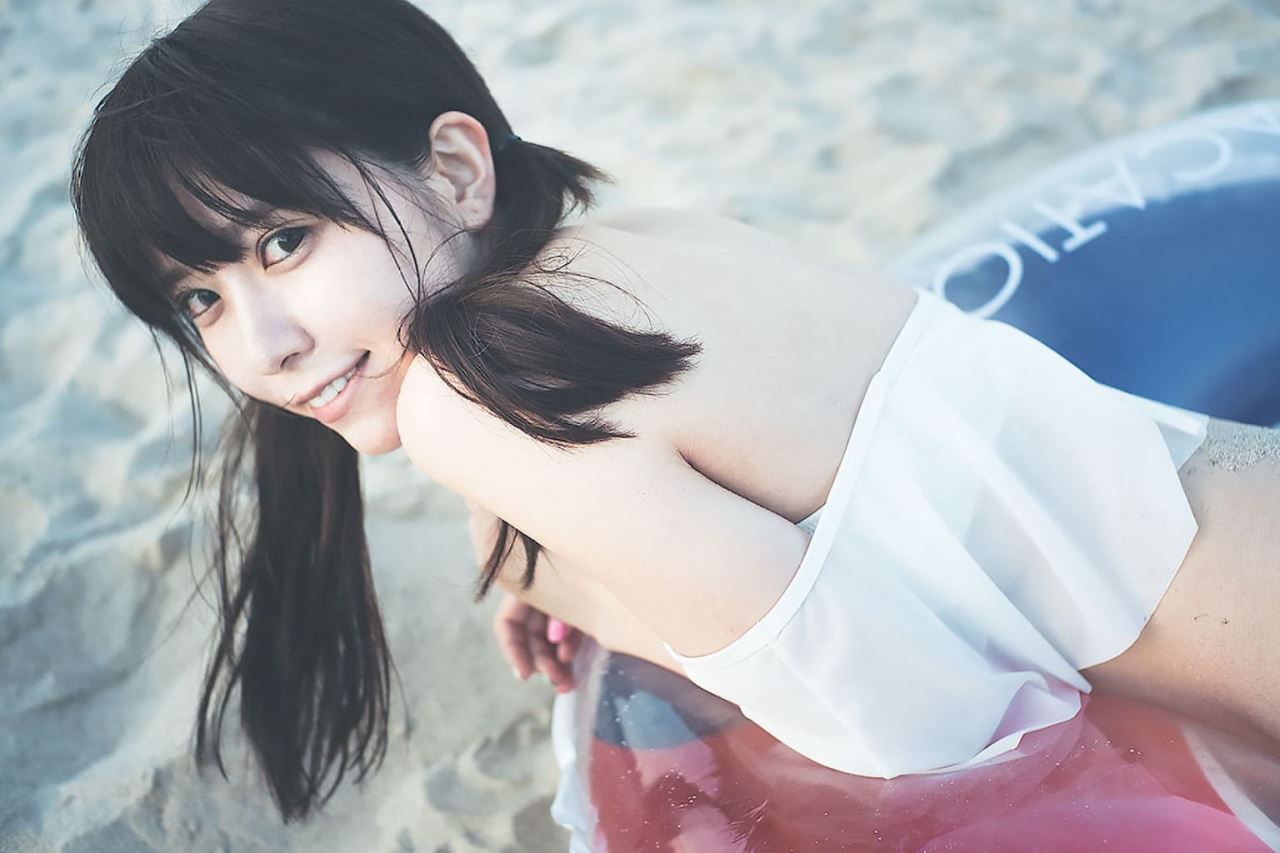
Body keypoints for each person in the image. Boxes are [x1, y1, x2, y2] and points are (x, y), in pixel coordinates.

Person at [72, 0, 1280, 825]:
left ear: (454, 169)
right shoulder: (645, 242)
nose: (263, 345)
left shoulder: (460, 397)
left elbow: (912, 717)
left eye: (283, 242)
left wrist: (563, 577)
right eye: (200, 299)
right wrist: (558, 542)